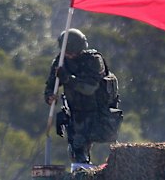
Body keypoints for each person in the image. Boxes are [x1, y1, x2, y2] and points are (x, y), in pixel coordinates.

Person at [44, 28, 121, 165]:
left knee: (110, 148)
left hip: (98, 112)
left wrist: (67, 79)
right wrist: (50, 96)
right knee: (77, 150)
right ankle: (82, 173)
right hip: (77, 113)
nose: (68, 55)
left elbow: (89, 88)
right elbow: (51, 85)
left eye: (70, 51)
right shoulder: (60, 62)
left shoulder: (93, 60)